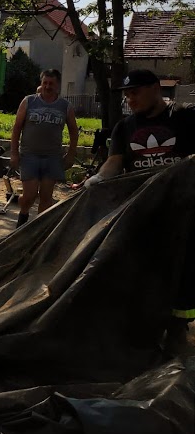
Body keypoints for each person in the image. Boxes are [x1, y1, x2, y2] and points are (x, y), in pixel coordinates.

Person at [83, 68, 195, 355]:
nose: (130, 99)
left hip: (183, 212)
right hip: (143, 210)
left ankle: (177, 329)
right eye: (126, 94)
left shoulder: (186, 117)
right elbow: (114, 163)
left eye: (135, 92)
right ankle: (139, 327)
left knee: (183, 271)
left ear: (156, 88)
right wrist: (97, 180)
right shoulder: (125, 127)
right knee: (140, 268)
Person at [10, 69, 78, 227]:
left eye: (51, 83)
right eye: (45, 83)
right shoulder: (29, 101)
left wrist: (71, 154)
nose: (48, 86)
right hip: (29, 155)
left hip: (52, 157)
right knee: (29, 196)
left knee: (46, 197)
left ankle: (38, 231)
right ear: (41, 83)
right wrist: (14, 153)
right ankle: (23, 215)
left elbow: (74, 131)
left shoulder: (65, 106)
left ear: (57, 85)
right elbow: (16, 128)